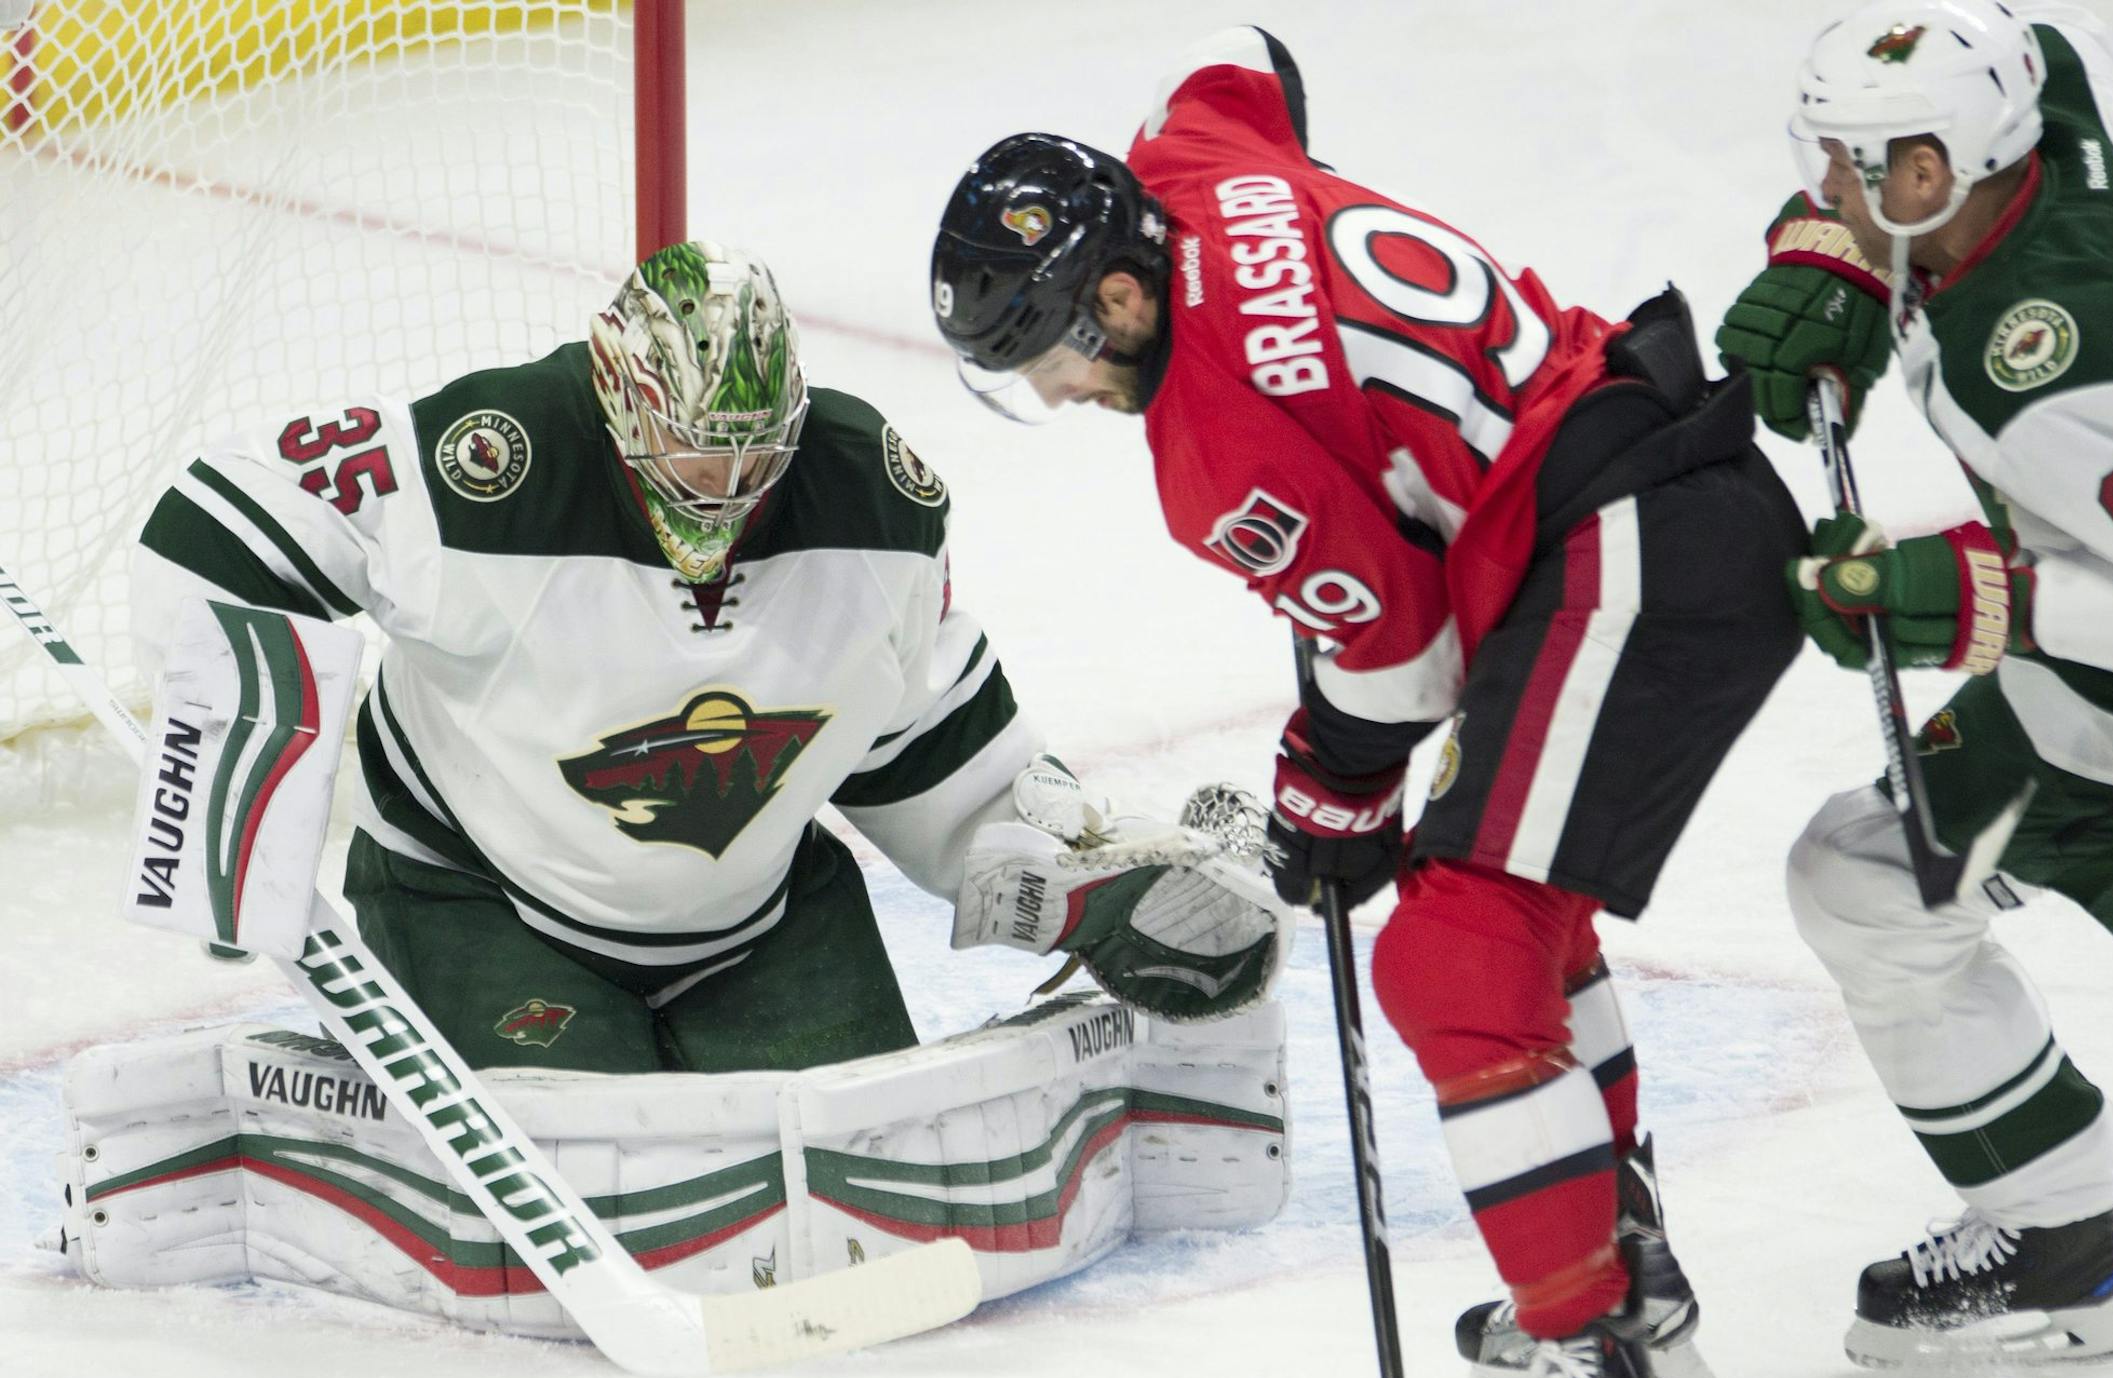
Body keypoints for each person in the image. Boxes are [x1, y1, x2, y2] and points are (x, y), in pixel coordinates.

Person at [930, 27, 1807, 1378]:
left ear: (1123, 296)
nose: (1062, 391)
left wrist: (1323, 801)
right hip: (1644, 486)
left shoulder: (1216, 451)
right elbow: (1240, 56)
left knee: (1450, 955)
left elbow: (1395, 668)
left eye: (1056, 353)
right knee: (1518, 915)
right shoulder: (1193, 158)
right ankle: (1626, 1278)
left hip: (1629, 544)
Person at [130, 241, 1282, 1075]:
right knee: (586, 1155)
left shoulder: (867, 491)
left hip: (759, 918)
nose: (727, 494)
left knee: (860, 1144)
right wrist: (232, 808)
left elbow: (921, 742)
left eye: (755, 455)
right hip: (479, 900)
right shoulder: (491, 460)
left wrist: (1075, 885)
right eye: (694, 451)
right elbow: (220, 520)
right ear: (619, 400)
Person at [1716, 0, 2113, 1369]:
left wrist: (1959, 596)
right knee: (1872, 873)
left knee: (1876, 883)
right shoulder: (2040, 110)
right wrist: (1837, 257)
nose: (1826, 186)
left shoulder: (2050, 363)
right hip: (2102, 678)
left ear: (1931, 176)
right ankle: (2052, 1232)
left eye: (1851, 170)